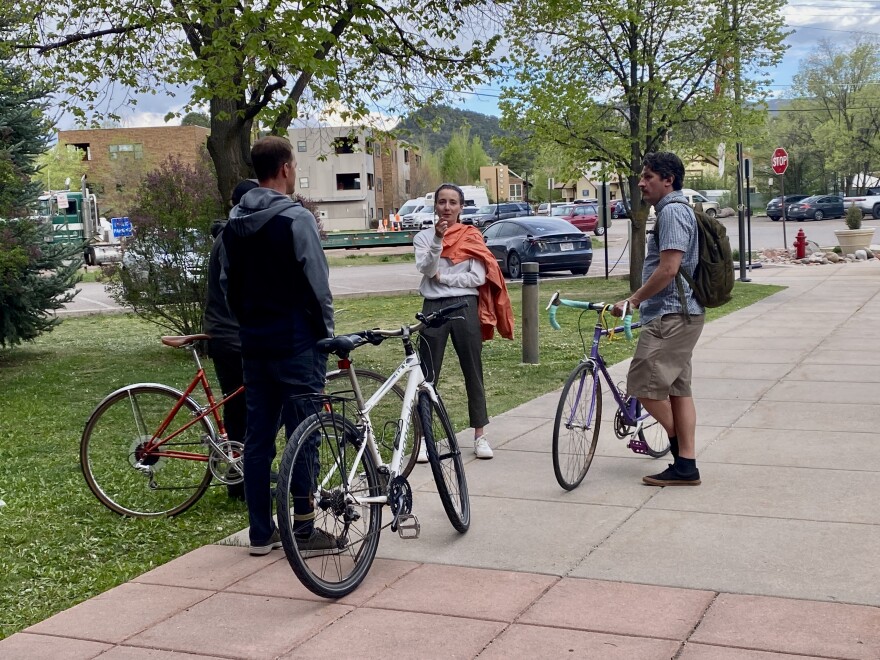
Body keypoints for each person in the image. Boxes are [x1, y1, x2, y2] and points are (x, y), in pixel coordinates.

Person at [219, 136, 336, 555]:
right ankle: (304, 529)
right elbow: (317, 286)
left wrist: (249, 324)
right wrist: (326, 335)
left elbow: (226, 285)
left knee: (258, 439)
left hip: (254, 345)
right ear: (285, 168)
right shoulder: (296, 220)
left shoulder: (233, 225)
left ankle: (259, 531)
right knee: (304, 432)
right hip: (297, 344)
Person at [612, 151, 705, 486]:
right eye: (642, 176)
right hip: (679, 314)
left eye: (648, 176)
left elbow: (669, 269)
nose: (641, 183)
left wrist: (634, 300)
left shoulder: (673, 213)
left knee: (643, 387)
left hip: (672, 316)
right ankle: (686, 467)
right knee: (679, 390)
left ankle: (681, 452)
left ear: (669, 179)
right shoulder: (673, 211)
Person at [414, 183, 514, 460]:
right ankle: (424, 438)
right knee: (427, 374)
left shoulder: (472, 236)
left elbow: (477, 278)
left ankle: (480, 435)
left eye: (453, 203)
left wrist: (444, 279)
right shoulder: (423, 238)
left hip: (465, 306)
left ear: (461, 207)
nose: (447, 207)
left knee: (473, 370)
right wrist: (437, 239)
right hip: (433, 307)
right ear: (435, 205)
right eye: (442, 202)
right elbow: (426, 268)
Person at [202, 179, 258, 501]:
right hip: (230, 336)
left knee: (241, 409)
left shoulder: (231, 236)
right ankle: (239, 480)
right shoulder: (230, 239)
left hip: (229, 333)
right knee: (241, 410)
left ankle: (242, 473)